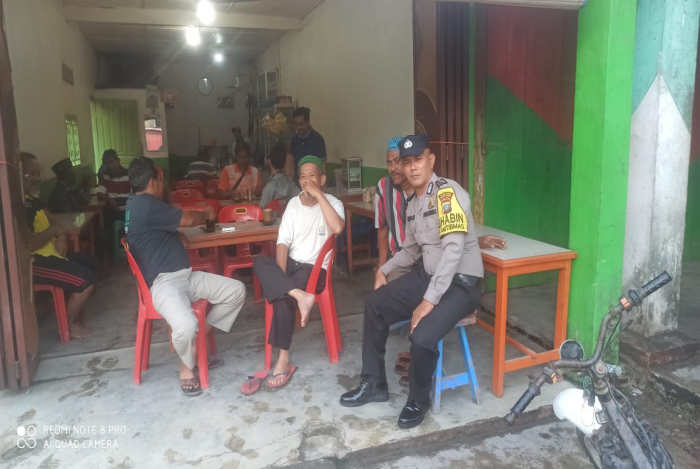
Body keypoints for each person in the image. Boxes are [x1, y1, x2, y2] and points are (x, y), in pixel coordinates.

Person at [340, 135, 485, 429]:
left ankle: (418, 400)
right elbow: (409, 251)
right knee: (375, 304)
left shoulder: (447, 194)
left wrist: (427, 302)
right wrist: (383, 270)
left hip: (461, 284)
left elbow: (453, 252)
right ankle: (374, 384)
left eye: (418, 160)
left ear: (431, 160)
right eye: (407, 162)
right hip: (429, 275)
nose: (413, 167)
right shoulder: (413, 204)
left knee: (421, 335)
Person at [126, 156, 246, 396]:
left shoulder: (135, 204)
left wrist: (174, 235)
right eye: (161, 181)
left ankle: (197, 341)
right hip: (163, 284)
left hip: (186, 278)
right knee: (186, 325)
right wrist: (207, 214)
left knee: (236, 291)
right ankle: (186, 366)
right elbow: (189, 219)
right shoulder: (146, 204)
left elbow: (153, 231)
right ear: (153, 181)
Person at [250, 155, 345, 392]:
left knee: (281, 296)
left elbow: (337, 228)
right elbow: (282, 243)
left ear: (322, 179)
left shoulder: (334, 203)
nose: (306, 181)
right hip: (292, 266)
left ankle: (283, 359)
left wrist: (319, 196)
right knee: (260, 262)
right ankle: (298, 295)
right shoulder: (293, 204)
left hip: (315, 269)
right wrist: (282, 278)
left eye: (312, 176)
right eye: (302, 177)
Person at [22, 152, 95, 339]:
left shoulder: (33, 200)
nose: (38, 179)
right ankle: (68, 325)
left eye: (39, 173)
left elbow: (54, 220)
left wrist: (60, 234)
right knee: (85, 281)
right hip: (35, 262)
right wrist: (54, 231)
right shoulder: (19, 208)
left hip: (51, 252)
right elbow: (29, 244)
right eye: (33, 174)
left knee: (90, 263)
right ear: (20, 175)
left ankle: (70, 309)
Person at [259, 144, 299, 209]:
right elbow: (299, 198)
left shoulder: (270, 185)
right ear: (284, 163)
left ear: (269, 161)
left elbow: (261, 207)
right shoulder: (290, 182)